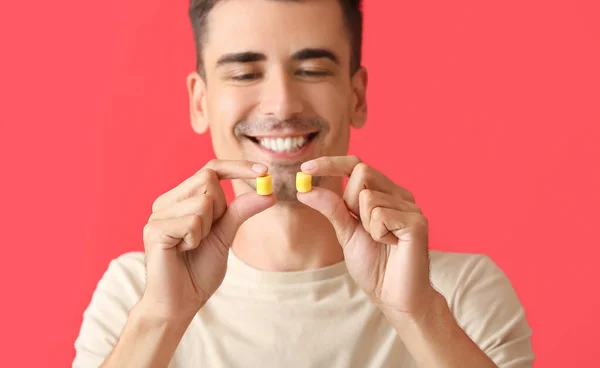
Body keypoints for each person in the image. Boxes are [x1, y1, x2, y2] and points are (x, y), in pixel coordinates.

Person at [73, 0, 534, 367]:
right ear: (200, 102)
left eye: (312, 70)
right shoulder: (137, 292)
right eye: (244, 73)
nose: (282, 103)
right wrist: (162, 320)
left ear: (356, 96)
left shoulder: (461, 294)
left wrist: (420, 315)